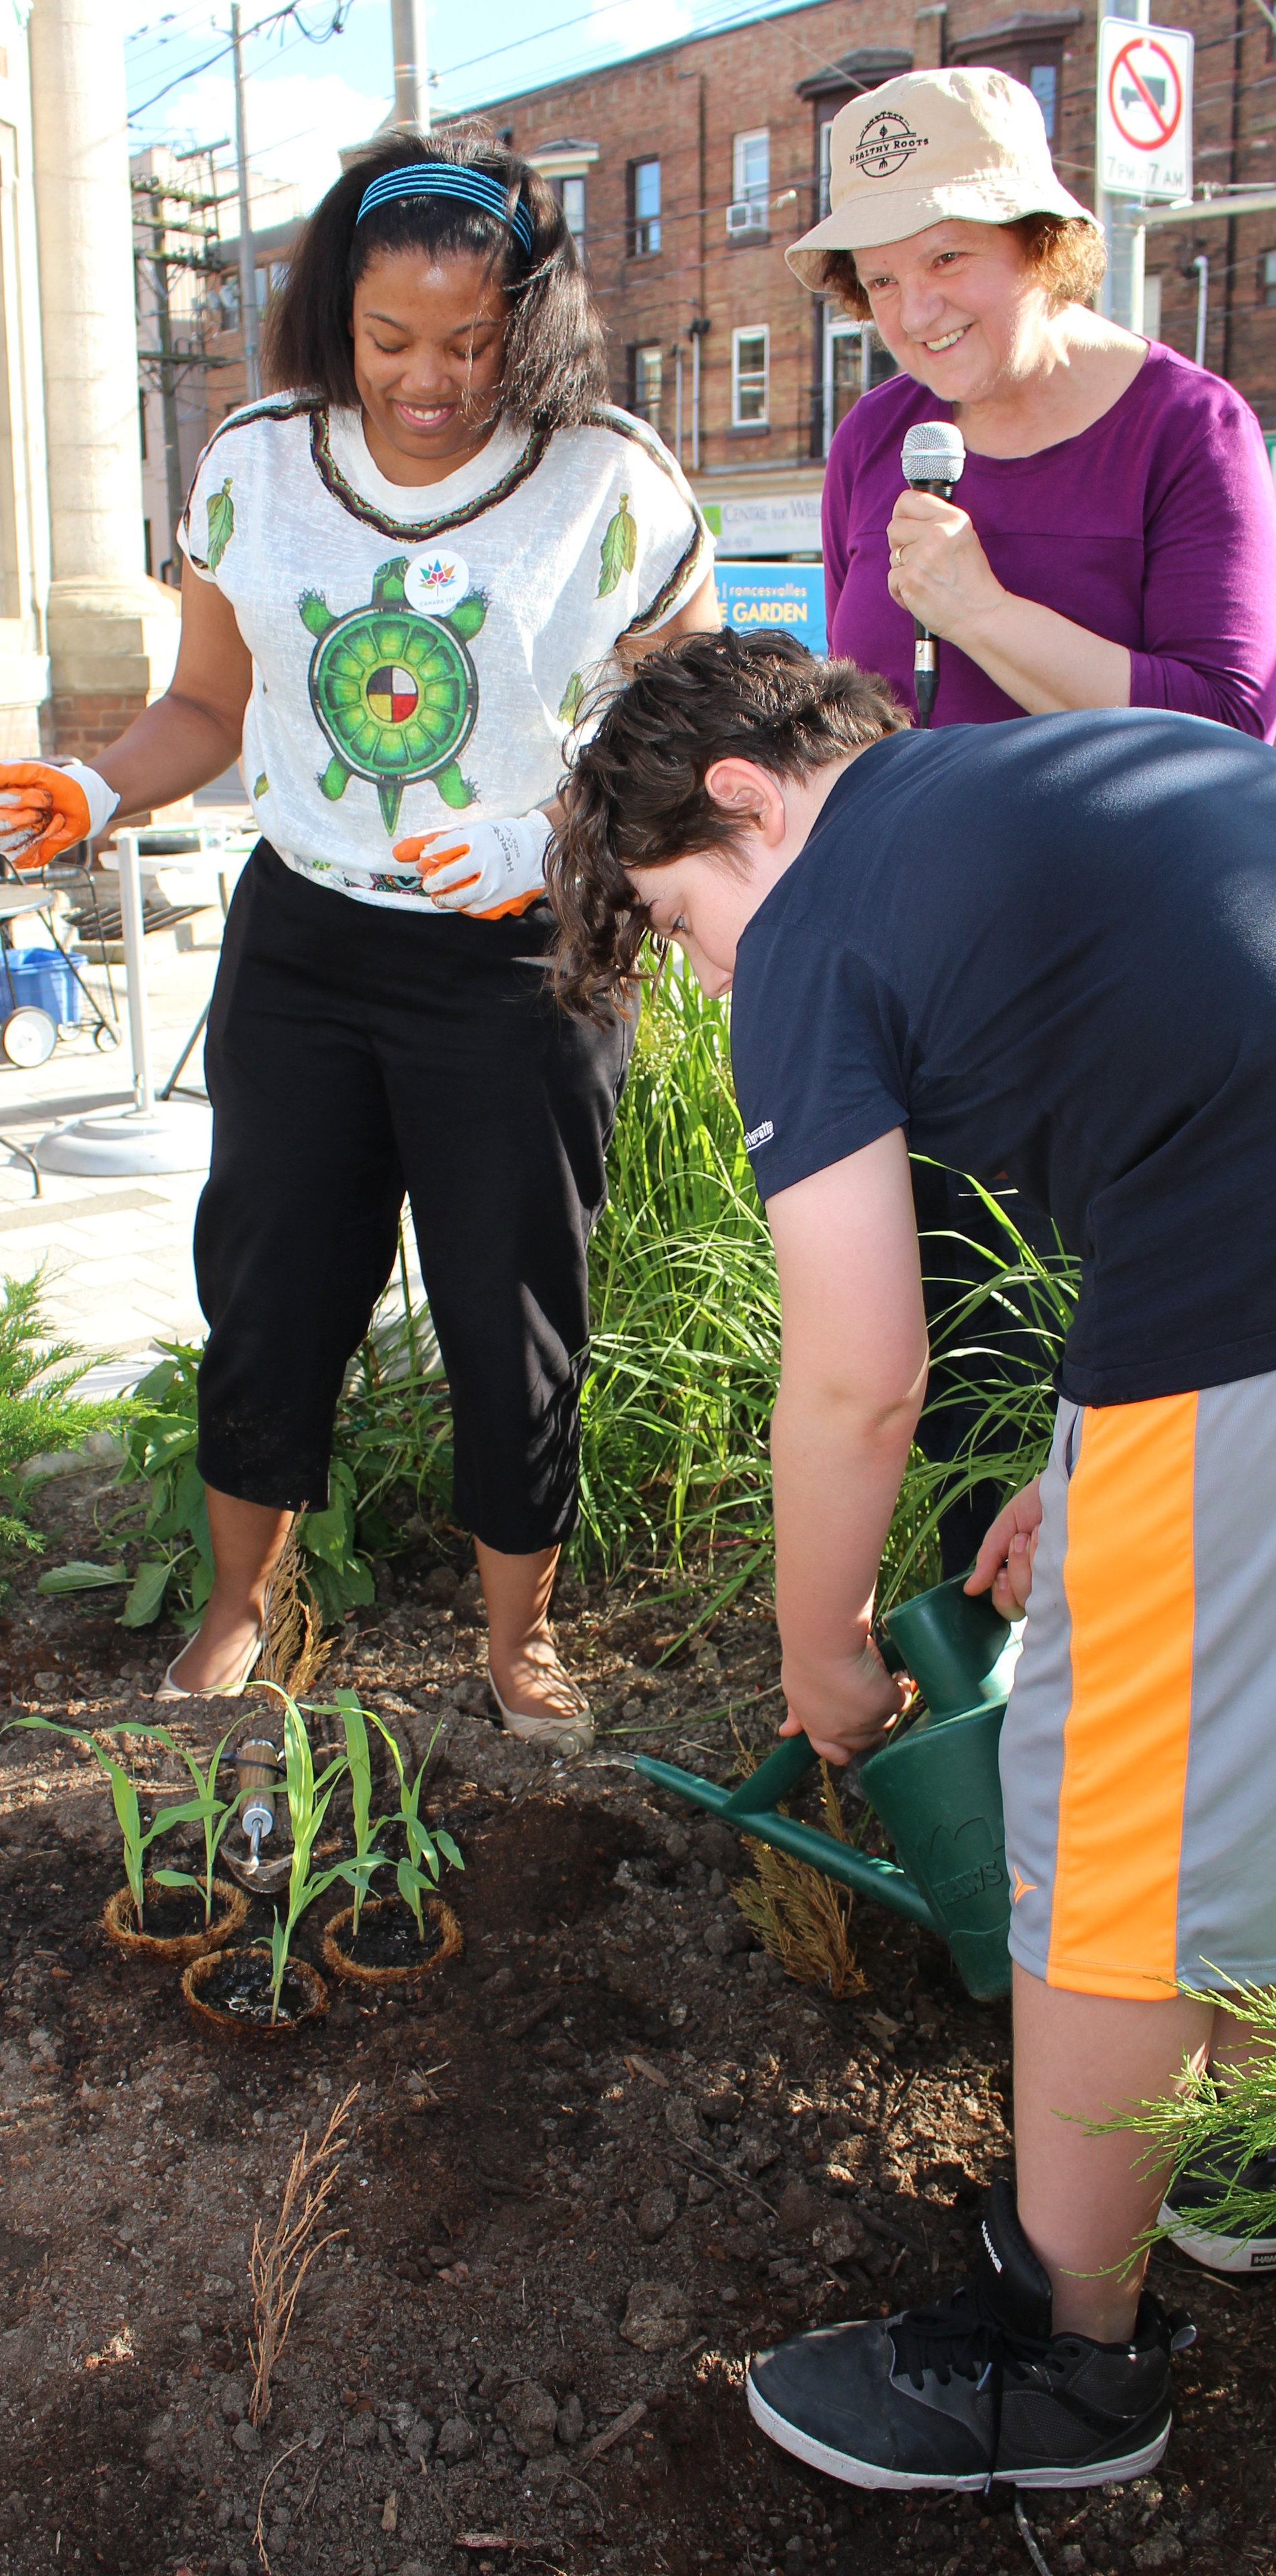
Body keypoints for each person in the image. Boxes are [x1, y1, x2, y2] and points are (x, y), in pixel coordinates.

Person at [550, 627, 1276, 2489]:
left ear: (742, 798)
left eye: (679, 924)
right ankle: (1230, 2153)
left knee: (1102, 1817)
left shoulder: (816, 914)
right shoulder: (1030, 787)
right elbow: (1188, 1077)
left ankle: (1064, 2367)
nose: (708, 977)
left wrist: (823, 1652)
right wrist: (1085, 1458)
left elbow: (859, 1379)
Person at [0, 134, 718, 1750]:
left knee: (510, 1304)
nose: (427, 382)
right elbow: (205, 710)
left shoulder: (609, 478)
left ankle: (517, 1642)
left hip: (521, 958)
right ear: (336, 316)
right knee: (270, 1282)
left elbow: (692, 739)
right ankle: (241, 1606)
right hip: (305, 942)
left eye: (469, 343)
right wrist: (93, 786)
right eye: (390, 343)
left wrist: (548, 839)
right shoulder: (254, 463)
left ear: (530, 320)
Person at [790, 64, 1276, 1569]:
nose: (915, 310)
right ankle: (968, 1712)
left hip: (1138, 1017)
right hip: (931, 1001)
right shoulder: (878, 440)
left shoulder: (1183, 429)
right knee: (958, 1377)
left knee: (1133, 1396)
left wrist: (984, 613)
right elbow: (842, 719)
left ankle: (1137, 1694)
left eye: (946, 259)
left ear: (1038, 243)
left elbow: (1226, 728)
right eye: (877, 280)